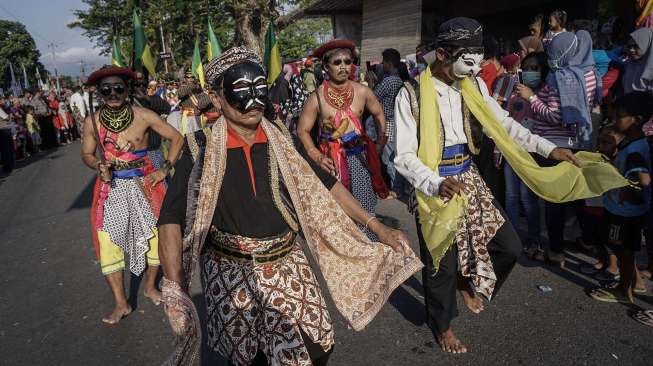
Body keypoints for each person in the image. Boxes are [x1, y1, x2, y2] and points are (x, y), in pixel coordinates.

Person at [156, 46, 423, 365]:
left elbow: (326, 185)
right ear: (217, 98)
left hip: (287, 259)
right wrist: (176, 287)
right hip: (229, 270)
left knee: (318, 346)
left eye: (259, 88)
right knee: (251, 358)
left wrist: (378, 227)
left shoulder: (279, 138)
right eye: (242, 90)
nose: (254, 101)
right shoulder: (197, 148)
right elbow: (170, 218)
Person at [394, 17, 581, 354]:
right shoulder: (409, 95)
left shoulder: (475, 86)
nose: (471, 70)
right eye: (465, 60)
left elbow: (505, 125)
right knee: (440, 265)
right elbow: (403, 156)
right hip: (433, 184)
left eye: (476, 60)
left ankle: (470, 281)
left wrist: (549, 148)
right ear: (441, 53)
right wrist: (434, 183)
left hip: (468, 178)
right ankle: (443, 327)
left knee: (509, 245)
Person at [81, 65, 183, 324]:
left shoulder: (144, 115)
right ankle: (121, 302)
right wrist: (98, 165)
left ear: (127, 89)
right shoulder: (91, 121)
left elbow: (176, 137)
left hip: (146, 185)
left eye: (118, 88)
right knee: (108, 244)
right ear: (99, 92)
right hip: (111, 189)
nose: (113, 93)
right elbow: (87, 154)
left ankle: (149, 286)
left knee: (154, 240)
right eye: (106, 89)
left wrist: (164, 170)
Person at [516, 31, 600, 265]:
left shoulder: (559, 77)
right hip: (580, 143)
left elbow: (555, 116)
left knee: (555, 203)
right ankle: (591, 242)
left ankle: (556, 251)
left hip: (553, 147)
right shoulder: (591, 74)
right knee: (578, 198)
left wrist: (532, 98)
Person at [297, 40, 389, 240]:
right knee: (338, 214)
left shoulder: (362, 92)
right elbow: (302, 130)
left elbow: (380, 114)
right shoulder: (316, 98)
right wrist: (315, 154)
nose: (343, 67)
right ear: (326, 67)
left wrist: (380, 144)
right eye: (337, 62)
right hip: (331, 164)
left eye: (347, 62)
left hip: (361, 161)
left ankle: (371, 254)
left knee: (366, 210)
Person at [589, 91, 653, 303]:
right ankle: (635, 283)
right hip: (624, 210)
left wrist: (630, 188)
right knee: (625, 249)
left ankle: (623, 291)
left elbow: (643, 179)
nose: (615, 120)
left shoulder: (635, 150)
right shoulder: (631, 142)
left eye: (620, 116)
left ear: (637, 120)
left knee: (623, 250)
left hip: (624, 212)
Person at [375, 48, 411, 198]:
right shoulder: (403, 79)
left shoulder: (388, 81)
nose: (382, 65)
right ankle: (400, 188)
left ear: (389, 64)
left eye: (384, 62)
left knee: (389, 156)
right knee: (398, 155)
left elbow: (373, 97)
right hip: (400, 122)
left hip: (389, 122)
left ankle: (397, 190)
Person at [623, 27, 653, 94]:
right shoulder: (630, 63)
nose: (631, 50)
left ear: (646, 44)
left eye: (636, 46)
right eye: (629, 46)